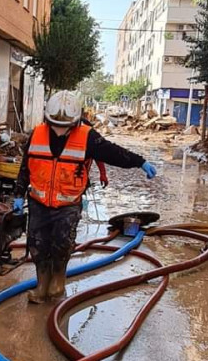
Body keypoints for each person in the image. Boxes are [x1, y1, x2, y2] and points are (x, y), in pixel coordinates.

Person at [13, 90, 157, 304]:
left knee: (62, 244)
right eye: (55, 125)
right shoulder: (37, 134)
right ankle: (41, 284)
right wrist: (18, 193)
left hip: (67, 206)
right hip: (38, 203)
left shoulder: (87, 136)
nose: (60, 130)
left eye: (65, 126)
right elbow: (26, 167)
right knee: (37, 245)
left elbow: (113, 152)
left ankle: (58, 282)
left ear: (75, 122)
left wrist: (139, 162)